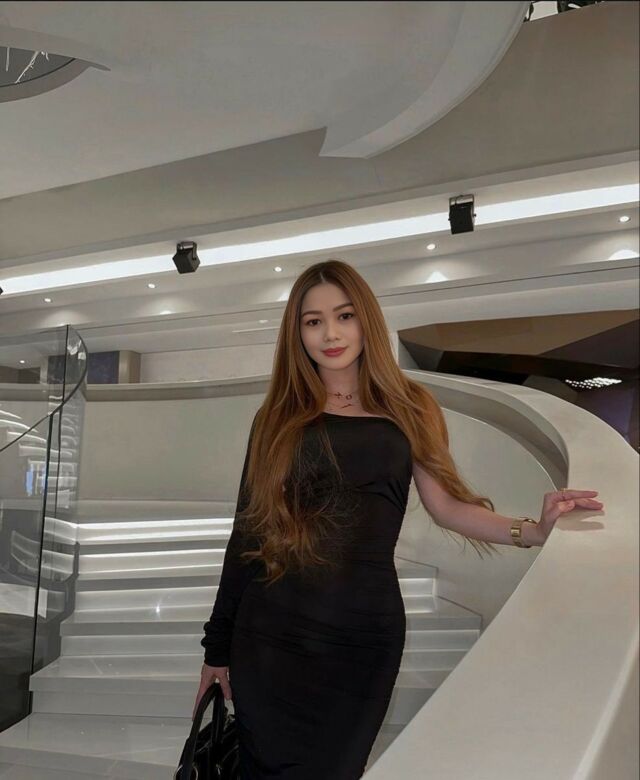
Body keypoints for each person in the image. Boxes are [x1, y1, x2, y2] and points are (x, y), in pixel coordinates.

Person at [192, 258, 603, 779]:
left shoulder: (411, 406)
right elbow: (248, 532)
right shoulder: (276, 417)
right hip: (272, 635)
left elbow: (447, 507)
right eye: (313, 321)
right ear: (297, 334)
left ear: (366, 319)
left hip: (362, 637)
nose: (331, 333)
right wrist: (217, 648)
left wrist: (534, 530)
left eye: (344, 316)